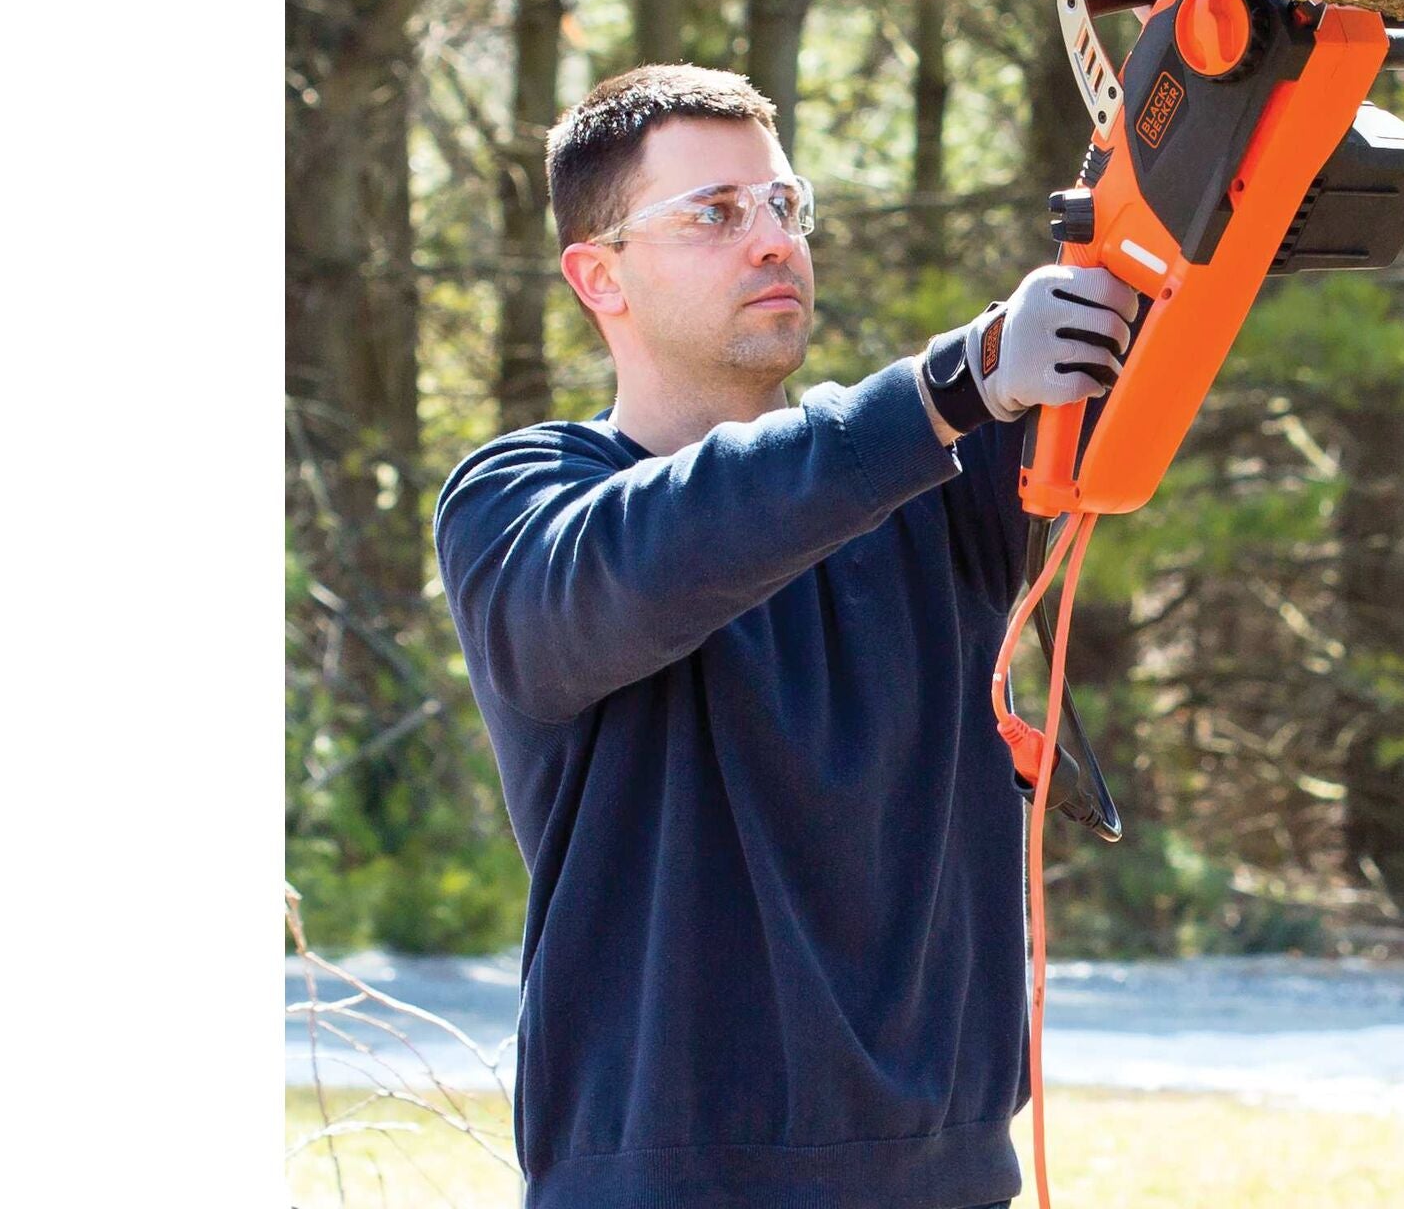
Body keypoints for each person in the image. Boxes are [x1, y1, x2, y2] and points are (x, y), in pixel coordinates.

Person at [434, 61, 1141, 1209]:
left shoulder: (930, 477)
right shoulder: (520, 503)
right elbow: (651, 552)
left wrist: (1208, 128)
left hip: (947, 1181)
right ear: (597, 274)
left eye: (783, 205)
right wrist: (952, 383)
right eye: (714, 213)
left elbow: (1160, 300)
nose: (771, 239)